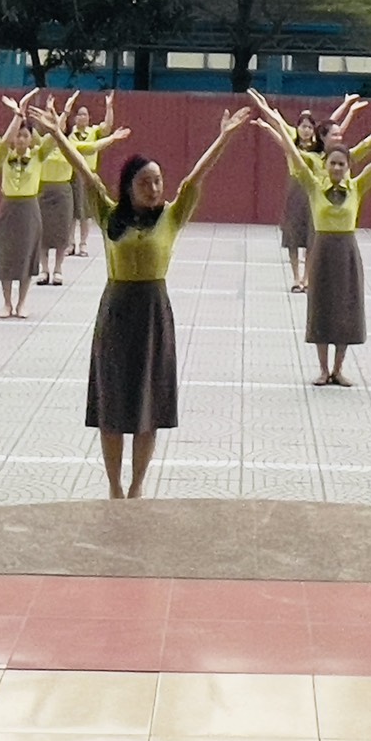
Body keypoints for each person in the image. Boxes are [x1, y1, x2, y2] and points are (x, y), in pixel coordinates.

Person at [42, 101, 238, 499]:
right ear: (128, 186)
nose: (154, 189)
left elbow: (195, 178)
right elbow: (84, 172)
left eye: (158, 182)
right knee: (112, 406)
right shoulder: (108, 214)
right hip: (116, 312)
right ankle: (114, 486)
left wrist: (223, 138)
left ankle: (136, 486)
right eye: (145, 182)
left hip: (153, 313)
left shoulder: (172, 215)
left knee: (148, 406)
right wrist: (59, 134)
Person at [253, 92, 371, 387]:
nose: (336, 168)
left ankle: (339, 369)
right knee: (322, 308)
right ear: (326, 165)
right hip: (322, 251)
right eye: (333, 163)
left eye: (341, 164)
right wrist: (272, 120)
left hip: (347, 252)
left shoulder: (357, 187)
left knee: (346, 309)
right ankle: (323, 370)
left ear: (348, 167)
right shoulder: (313, 186)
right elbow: (292, 152)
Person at [0, 92, 44, 319]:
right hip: (9, 208)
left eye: (25, 136)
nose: (21, 140)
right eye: (18, 135)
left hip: (29, 209)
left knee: (27, 254)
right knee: (6, 254)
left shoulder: (38, 155)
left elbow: (55, 139)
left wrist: (56, 117)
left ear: (31, 138)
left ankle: (22, 302)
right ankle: (6, 302)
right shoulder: (5, 154)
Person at [34, 88, 81, 286]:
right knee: (42, 232)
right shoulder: (39, 144)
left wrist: (65, 112)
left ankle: (58, 269)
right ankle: (44, 269)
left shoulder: (68, 144)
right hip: (42, 190)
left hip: (63, 192)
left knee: (62, 231)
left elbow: (58, 132)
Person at [64, 95, 117, 257]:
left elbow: (107, 127)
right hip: (72, 175)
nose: (82, 117)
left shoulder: (94, 131)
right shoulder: (70, 134)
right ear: (75, 118)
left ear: (89, 118)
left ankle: (83, 243)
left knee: (85, 213)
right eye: (79, 114)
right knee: (71, 212)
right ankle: (70, 243)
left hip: (88, 175)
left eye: (85, 114)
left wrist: (109, 107)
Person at [278, 111, 321, 292]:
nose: (306, 130)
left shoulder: (319, 149)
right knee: (293, 236)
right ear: (297, 128)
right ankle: (296, 278)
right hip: (295, 191)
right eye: (303, 126)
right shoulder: (292, 145)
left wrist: (348, 107)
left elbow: (336, 124)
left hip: (312, 193)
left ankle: (307, 278)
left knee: (312, 236)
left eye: (310, 127)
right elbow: (278, 125)